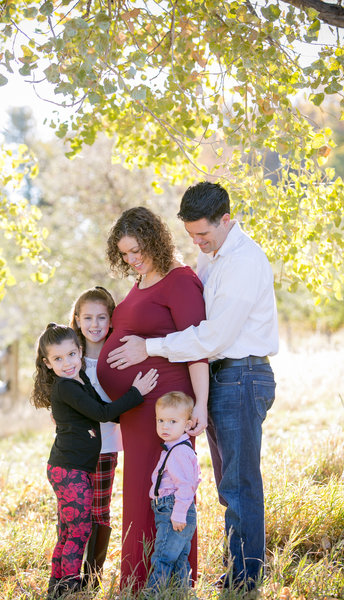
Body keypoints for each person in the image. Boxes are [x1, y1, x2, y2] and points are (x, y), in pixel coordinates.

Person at [106, 182, 279, 592]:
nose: (197, 242)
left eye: (203, 234)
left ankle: (244, 580)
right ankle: (233, 571)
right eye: (191, 236)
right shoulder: (211, 259)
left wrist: (148, 347)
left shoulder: (243, 262)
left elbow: (211, 337)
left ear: (226, 219)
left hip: (242, 374)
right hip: (224, 378)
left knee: (240, 487)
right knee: (226, 486)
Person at [96, 206, 209, 589]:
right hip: (138, 407)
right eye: (125, 253)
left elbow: (197, 347)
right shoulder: (142, 281)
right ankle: (139, 575)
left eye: (137, 249)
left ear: (155, 239)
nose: (132, 258)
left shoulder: (179, 280)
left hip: (165, 407)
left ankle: (173, 580)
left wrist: (203, 407)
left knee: (171, 490)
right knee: (143, 489)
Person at [30, 322, 158, 599]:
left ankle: (58, 583)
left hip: (72, 468)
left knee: (69, 528)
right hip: (69, 470)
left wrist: (133, 413)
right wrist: (136, 393)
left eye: (71, 355)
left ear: (79, 351)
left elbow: (104, 413)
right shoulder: (66, 387)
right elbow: (101, 413)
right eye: (58, 359)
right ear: (47, 363)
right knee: (78, 527)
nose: (67, 363)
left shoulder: (80, 380)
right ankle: (70, 583)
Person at [69, 286, 121, 587]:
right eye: (87, 317)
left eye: (102, 317)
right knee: (75, 510)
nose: (95, 324)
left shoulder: (115, 356)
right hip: (75, 448)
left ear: (111, 320)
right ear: (77, 319)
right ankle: (68, 573)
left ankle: (92, 578)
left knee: (98, 510)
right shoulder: (69, 356)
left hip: (106, 445)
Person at [148, 392, 201, 592]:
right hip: (170, 509)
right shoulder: (174, 448)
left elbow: (187, 485)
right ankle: (182, 593)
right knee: (179, 558)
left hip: (174, 510)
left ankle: (154, 594)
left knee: (163, 556)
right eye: (160, 420)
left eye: (172, 421)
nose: (165, 426)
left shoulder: (179, 451)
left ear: (187, 425)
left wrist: (178, 514)